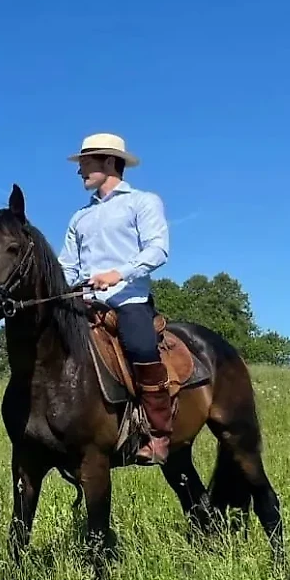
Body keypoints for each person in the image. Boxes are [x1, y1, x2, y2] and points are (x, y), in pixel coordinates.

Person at [58, 133, 173, 465]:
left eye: (85, 163)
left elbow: (157, 249)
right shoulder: (79, 217)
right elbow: (68, 265)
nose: (80, 171)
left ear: (109, 162)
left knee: (140, 346)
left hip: (129, 300)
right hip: (86, 302)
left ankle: (158, 434)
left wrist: (118, 273)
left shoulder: (143, 202)